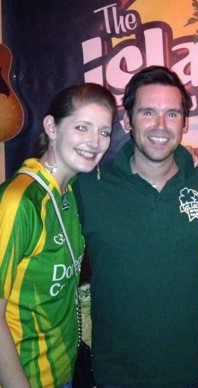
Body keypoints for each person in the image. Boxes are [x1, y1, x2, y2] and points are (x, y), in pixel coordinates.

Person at [73, 65, 198, 387]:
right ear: (126, 122)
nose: (160, 126)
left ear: (185, 123)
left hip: (190, 373)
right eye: (148, 112)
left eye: (172, 114)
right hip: (115, 376)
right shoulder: (89, 188)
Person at [0, 83, 116, 388]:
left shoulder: (72, 191)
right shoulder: (19, 202)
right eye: (82, 127)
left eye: (104, 132)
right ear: (51, 127)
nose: (95, 142)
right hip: (25, 376)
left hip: (65, 371)